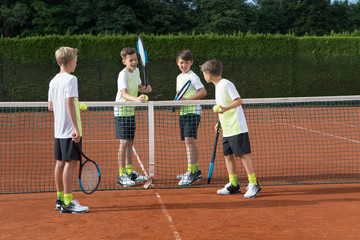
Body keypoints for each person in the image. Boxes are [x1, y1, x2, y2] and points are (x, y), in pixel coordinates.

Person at [200, 59, 261, 198]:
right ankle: (233, 184)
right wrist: (219, 123)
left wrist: (226, 109)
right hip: (227, 129)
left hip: (237, 127)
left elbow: (238, 100)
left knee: (242, 155)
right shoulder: (218, 87)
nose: (204, 76)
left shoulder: (226, 84)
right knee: (228, 156)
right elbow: (223, 106)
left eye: (204, 73)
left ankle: (253, 184)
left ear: (208, 75)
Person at [48, 46, 89, 213]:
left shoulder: (53, 80)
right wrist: (76, 129)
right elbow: (69, 104)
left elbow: (51, 107)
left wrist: (75, 106)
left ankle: (60, 200)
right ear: (70, 62)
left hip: (58, 131)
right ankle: (68, 202)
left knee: (60, 163)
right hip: (69, 131)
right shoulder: (71, 80)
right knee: (70, 164)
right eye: (76, 62)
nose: (76, 65)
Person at [115, 47, 152, 187]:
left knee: (130, 142)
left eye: (135, 59)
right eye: (131, 60)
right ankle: (121, 174)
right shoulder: (122, 75)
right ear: (124, 61)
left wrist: (145, 89)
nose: (134, 62)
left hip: (130, 111)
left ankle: (130, 172)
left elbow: (138, 87)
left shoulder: (136, 71)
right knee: (124, 143)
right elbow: (124, 93)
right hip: (121, 111)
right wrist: (136, 99)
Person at [175, 50, 207, 186]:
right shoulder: (178, 77)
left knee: (189, 140)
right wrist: (177, 103)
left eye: (187, 63)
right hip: (184, 113)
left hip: (193, 112)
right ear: (178, 62)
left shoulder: (193, 77)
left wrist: (187, 101)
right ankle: (195, 170)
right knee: (188, 141)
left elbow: (203, 92)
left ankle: (191, 172)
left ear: (191, 63)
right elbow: (179, 94)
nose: (184, 65)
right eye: (182, 63)